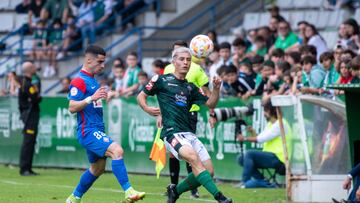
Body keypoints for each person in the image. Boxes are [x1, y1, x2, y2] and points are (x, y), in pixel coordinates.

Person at [137, 47, 232, 203]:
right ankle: (220, 197)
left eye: (188, 60)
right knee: (194, 159)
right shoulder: (161, 80)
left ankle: (175, 191)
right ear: (174, 61)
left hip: (189, 134)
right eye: (181, 59)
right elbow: (141, 96)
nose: (185, 63)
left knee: (209, 171)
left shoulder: (190, 88)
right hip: (171, 133)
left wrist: (216, 89)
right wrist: (147, 109)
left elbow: (210, 103)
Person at [65, 45, 145, 203]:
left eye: (104, 62)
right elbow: (72, 107)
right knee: (117, 150)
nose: (103, 66)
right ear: (88, 60)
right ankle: (129, 191)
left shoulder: (92, 81)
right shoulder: (79, 81)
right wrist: (91, 98)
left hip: (96, 129)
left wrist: (100, 98)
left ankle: (74, 198)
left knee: (97, 169)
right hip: (87, 130)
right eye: (100, 62)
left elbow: (92, 102)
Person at [163, 40, 211, 199]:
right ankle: (173, 186)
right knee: (173, 153)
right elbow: (164, 94)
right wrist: (159, 114)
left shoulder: (197, 69)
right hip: (171, 114)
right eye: (177, 54)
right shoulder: (168, 69)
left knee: (191, 154)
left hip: (190, 113)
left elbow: (206, 92)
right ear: (173, 57)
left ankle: (193, 188)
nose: (183, 60)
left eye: (186, 56)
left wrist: (212, 112)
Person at [236, 101, 291, 188]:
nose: (264, 114)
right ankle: (263, 181)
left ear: (271, 111)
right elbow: (260, 137)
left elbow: (261, 139)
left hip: (280, 159)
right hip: (271, 157)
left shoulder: (280, 124)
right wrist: (253, 132)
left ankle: (245, 182)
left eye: (265, 111)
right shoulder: (270, 124)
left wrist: (245, 138)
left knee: (249, 154)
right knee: (241, 158)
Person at [18, 61, 42, 176]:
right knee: (28, 142)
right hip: (29, 115)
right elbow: (35, 98)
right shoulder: (27, 83)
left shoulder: (27, 82)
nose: (35, 68)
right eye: (33, 66)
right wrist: (37, 96)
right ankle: (24, 169)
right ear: (29, 69)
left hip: (31, 114)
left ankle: (28, 167)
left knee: (31, 141)